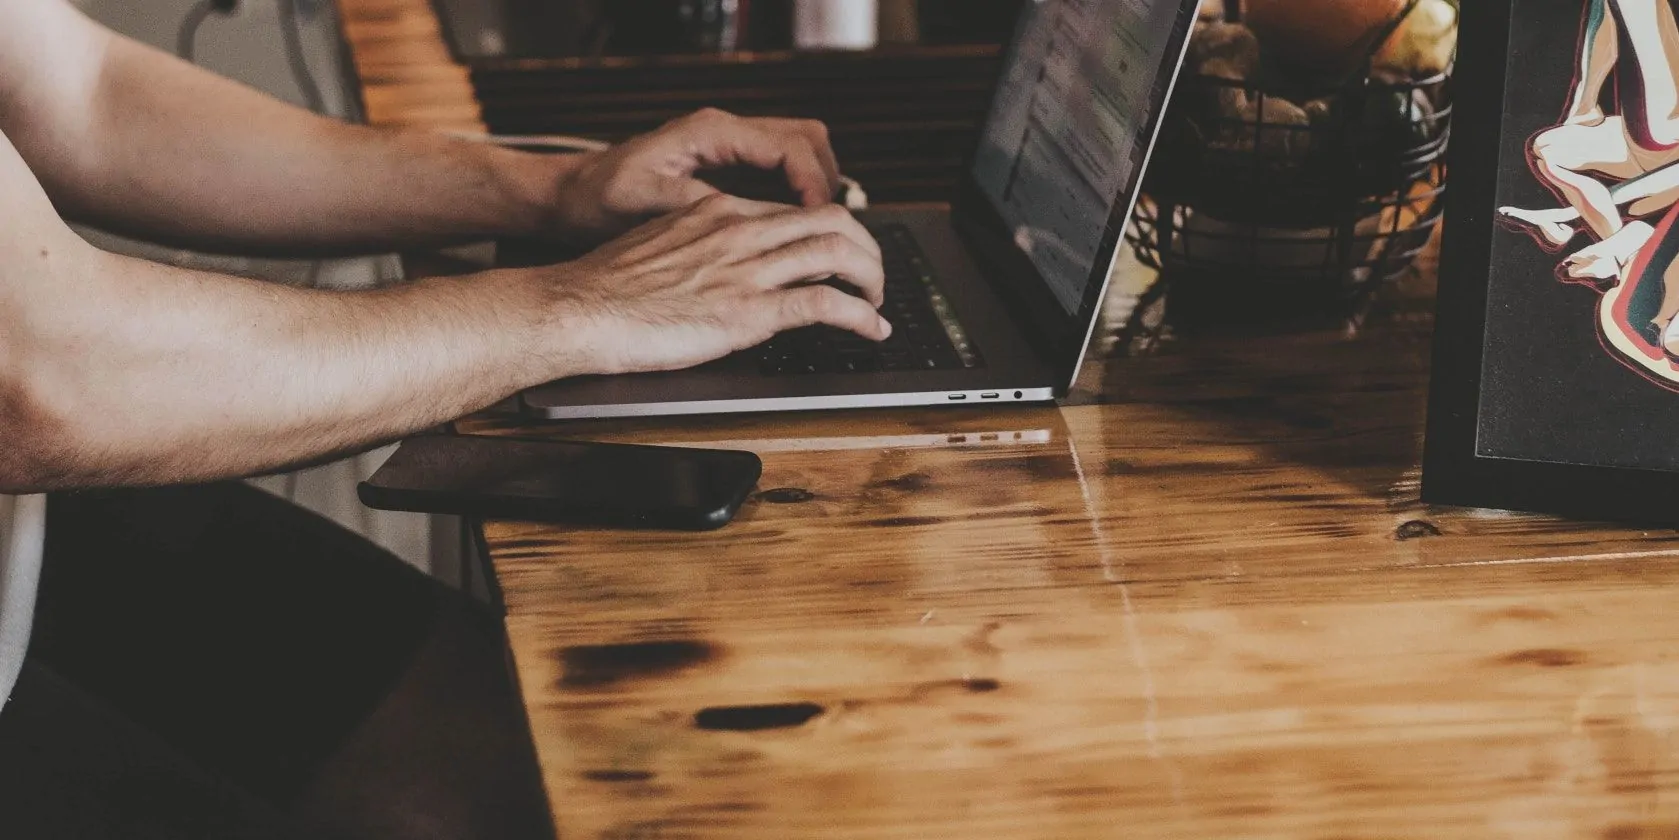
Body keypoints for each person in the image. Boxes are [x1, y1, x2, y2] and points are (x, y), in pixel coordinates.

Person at [0, 0, 889, 837]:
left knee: (520, 758)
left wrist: (553, 190)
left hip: (39, 527)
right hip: (49, 447)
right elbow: (42, 378)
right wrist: (580, 306)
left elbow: (76, 91)